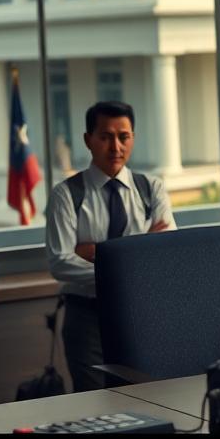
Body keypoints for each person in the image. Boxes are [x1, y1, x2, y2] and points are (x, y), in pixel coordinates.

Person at [45, 101, 175, 391]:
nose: (115, 146)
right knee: (94, 400)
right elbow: (60, 261)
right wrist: (138, 251)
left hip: (141, 311)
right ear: (88, 140)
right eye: (105, 137)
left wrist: (99, 253)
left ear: (133, 138)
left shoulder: (151, 188)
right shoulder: (67, 194)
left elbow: (166, 254)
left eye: (123, 136)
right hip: (86, 315)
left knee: (146, 395)